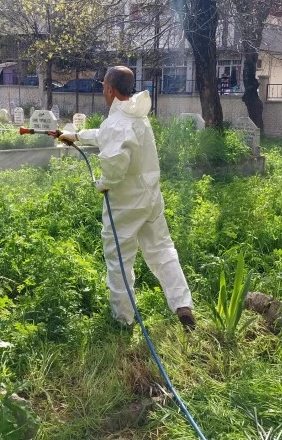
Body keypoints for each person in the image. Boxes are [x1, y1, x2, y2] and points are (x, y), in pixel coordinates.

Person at [53, 66, 196, 330]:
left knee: (119, 260)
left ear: (109, 89)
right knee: (162, 250)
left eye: (103, 87)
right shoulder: (136, 116)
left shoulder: (118, 124)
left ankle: (123, 320)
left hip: (125, 205)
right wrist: (77, 136)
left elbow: (115, 166)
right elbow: (108, 135)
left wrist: (101, 184)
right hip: (150, 199)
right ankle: (182, 305)